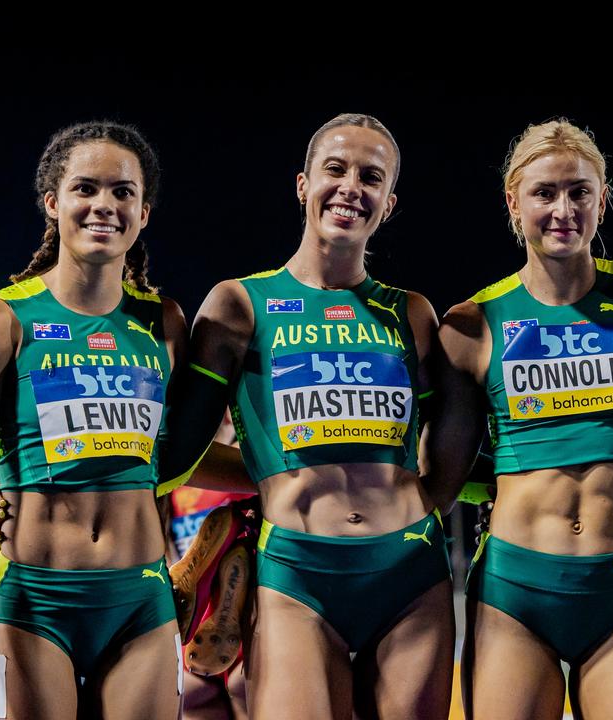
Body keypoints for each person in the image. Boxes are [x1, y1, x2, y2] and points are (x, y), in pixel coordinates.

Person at [161, 113, 454, 719]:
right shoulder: (238, 304)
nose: (352, 187)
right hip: (297, 573)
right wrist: (267, 476)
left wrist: (432, 502)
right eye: (336, 170)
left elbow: (457, 435)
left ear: (389, 204)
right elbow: (171, 453)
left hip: (410, 574)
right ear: (303, 184)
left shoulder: (414, 313)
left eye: (371, 177)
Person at [0, 121, 189, 720]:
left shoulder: (165, 323)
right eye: (86, 189)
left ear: (144, 212)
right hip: (32, 602)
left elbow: (188, 453)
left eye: (123, 192)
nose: (105, 205)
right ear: (53, 202)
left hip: (141, 602)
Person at [432, 119, 613, 720]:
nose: (563, 209)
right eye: (544, 193)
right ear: (513, 201)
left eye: (580, 192)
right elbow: (441, 476)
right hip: (516, 591)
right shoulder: (470, 324)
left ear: (602, 197)